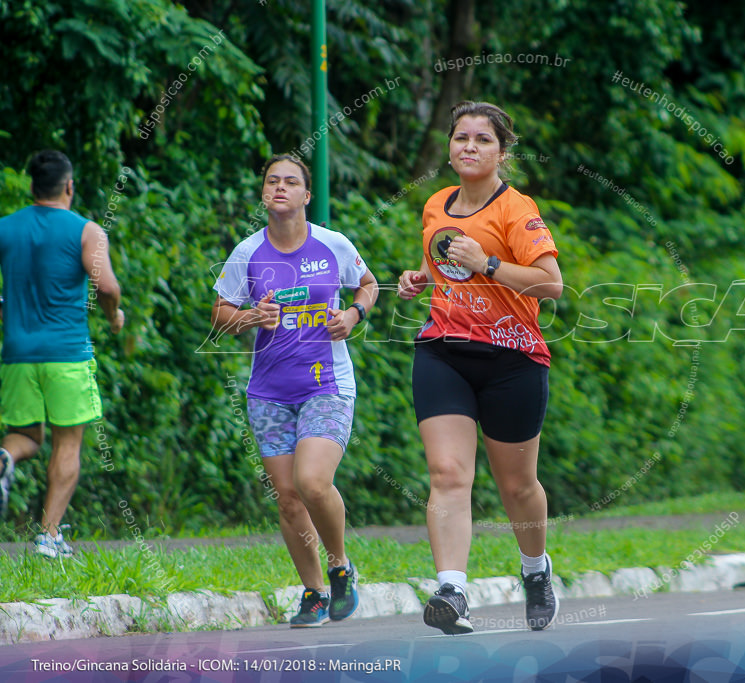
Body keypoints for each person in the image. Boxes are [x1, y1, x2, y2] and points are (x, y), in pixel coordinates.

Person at [398, 101, 563, 634]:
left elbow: (550, 284)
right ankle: (452, 591)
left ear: (502, 152)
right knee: (447, 475)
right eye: (461, 137)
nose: (469, 146)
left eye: (482, 140)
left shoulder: (517, 209)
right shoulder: (436, 204)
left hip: (512, 358)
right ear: (449, 147)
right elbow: (441, 257)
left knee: (517, 487)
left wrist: (487, 264)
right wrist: (420, 277)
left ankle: (536, 571)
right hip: (444, 350)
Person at [211, 154, 378, 628]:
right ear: (264, 193)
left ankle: (340, 564)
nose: (280, 188)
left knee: (312, 482)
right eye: (271, 181)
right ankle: (314, 593)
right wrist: (250, 318)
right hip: (268, 392)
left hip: (327, 385)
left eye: (291, 182)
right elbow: (219, 314)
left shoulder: (333, 245)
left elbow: (367, 285)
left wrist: (353, 315)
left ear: (307, 195)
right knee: (287, 497)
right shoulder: (247, 253)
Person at [0, 150, 125, 557]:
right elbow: (105, 287)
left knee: (25, 436)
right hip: (67, 351)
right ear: (69, 186)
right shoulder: (87, 231)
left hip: (18, 352)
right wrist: (114, 316)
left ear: (33, 186)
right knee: (67, 443)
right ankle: (49, 537)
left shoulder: (6, 228)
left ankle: (3, 457)